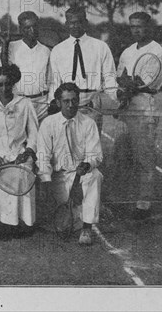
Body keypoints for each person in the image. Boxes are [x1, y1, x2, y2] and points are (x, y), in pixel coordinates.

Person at [116, 12, 162, 220]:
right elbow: (122, 78)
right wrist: (125, 88)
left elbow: (142, 83)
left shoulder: (158, 52)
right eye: (132, 26)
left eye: (140, 26)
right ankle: (127, 199)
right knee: (123, 156)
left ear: (149, 27)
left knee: (144, 158)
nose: (136, 30)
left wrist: (129, 83)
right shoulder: (128, 51)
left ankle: (144, 205)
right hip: (127, 107)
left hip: (145, 106)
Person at [37, 83, 103, 245]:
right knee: (60, 222)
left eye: (74, 100)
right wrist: (46, 183)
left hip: (81, 176)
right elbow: (43, 156)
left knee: (95, 175)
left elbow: (95, 155)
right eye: (66, 101)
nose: (71, 105)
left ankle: (86, 229)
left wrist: (87, 165)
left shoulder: (89, 123)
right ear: (58, 103)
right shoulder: (48, 123)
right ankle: (75, 213)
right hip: (58, 178)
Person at [0, 65, 39, 241]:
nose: (4, 89)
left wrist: (28, 151)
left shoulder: (25, 104)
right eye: (0, 85)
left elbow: (34, 133)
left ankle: (23, 222)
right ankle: (3, 223)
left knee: (22, 176)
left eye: (8, 84)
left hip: (19, 153)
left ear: (13, 84)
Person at [48, 7, 117, 129]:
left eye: (79, 22)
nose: (75, 26)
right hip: (67, 104)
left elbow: (109, 77)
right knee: (67, 145)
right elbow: (55, 82)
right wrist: (52, 103)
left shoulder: (100, 47)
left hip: (92, 105)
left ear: (85, 22)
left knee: (92, 146)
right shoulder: (58, 50)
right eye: (71, 23)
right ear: (66, 24)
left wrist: (116, 99)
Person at [7, 11, 51, 122]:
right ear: (21, 29)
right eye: (27, 28)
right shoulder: (11, 47)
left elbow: (51, 80)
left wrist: (50, 102)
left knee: (41, 138)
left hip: (42, 104)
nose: (32, 31)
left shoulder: (46, 51)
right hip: (19, 102)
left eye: (34, 26)